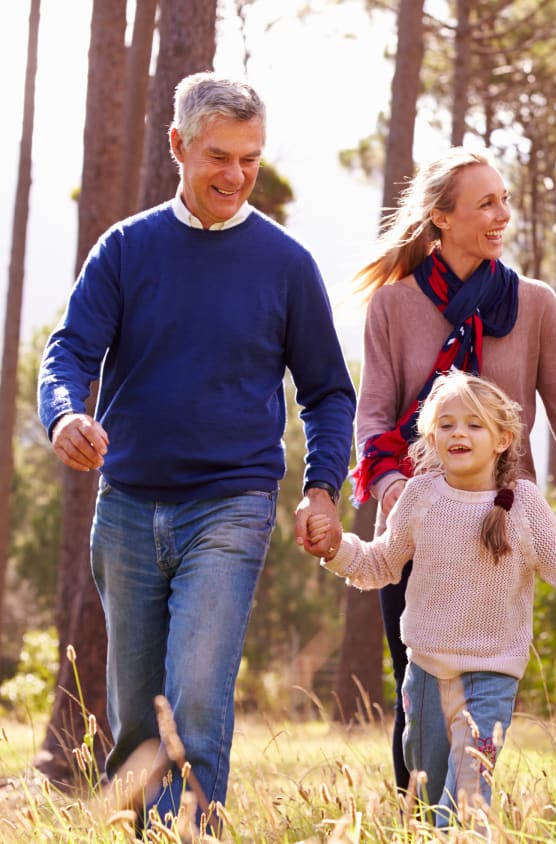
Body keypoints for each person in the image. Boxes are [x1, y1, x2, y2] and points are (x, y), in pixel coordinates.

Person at [36, 73, 356, 829]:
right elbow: (69, 353)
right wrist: (61, 418)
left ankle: (194, 832)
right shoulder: (126, 249)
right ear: (178, 146)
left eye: (249, 159)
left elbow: (327, 391)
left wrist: (320, 487)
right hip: (127, 509)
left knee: (199, 694)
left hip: (232, 503)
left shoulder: (285, 264)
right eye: (219, 156)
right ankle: (142, 828)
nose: (236, 175)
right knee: (140, 712)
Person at [349, 147, 556, 792]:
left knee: (486, 694)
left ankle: (466, 817)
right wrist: (394, 495)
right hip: (419, 523)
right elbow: (374, 416)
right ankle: (415, 822)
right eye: (486, 203)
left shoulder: (536, 304)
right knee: (416, 693)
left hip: (500, 525)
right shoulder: (392, 306)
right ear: (441, 218)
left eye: (505, 200)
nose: (503, 215)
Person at [306, 372, 556, 827]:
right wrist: (336, 549)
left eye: (473, 425)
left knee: (467, 801)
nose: (458, 433)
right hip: (426, 676)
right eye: (447, 424)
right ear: (432, 436)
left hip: (490, 679)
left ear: (502, 438)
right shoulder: (421, 495)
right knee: (429, 798)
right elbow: (380, 564)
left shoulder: (523, 506)